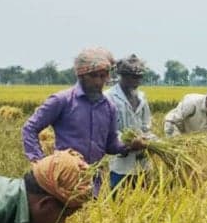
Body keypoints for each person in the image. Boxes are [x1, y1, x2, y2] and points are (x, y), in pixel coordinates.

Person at [22, 47, 146, 195]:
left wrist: (130, 146)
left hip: (94, 181)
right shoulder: (62, 100)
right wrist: (39, 162)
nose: (99, 82)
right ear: (81, 76)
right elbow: (30, 128)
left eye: (103, 76)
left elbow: (111, 145)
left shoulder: (108, 107)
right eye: (93, 76)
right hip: (65, 178)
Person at [105, 54, 154, 189]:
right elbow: (108, 130)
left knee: (143, 199)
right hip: (121, 161)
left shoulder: (142, 97)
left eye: (140, 77)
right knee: (119, 200)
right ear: (123, 76)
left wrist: (148, 140)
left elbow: (146, 125)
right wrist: (128, 142)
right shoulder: (109, 97)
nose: (138, 81)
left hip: (142, 161)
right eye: (134, 77)